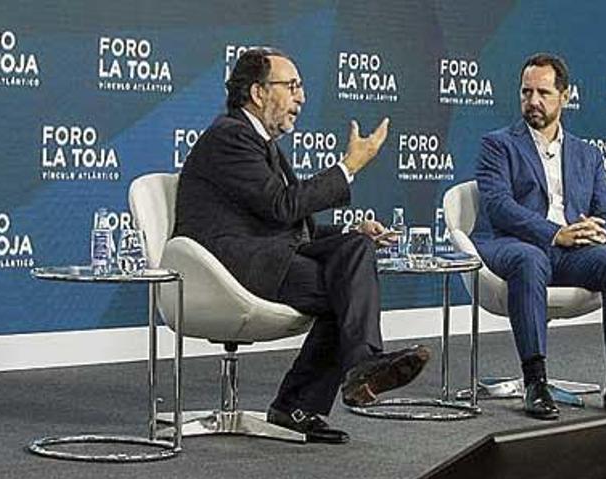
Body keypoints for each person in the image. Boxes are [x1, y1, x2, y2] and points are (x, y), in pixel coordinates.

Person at [174, 47, 429, 443]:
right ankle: (308, 398)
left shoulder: (259, 142)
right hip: (226, 266)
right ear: (258, 93)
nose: (301, 97)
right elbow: (282, 207)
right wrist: (350, 166)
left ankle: (351, 372)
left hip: (263, 252)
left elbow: (291, 223)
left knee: (356, 250)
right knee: (339, 288)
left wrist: (355, 234)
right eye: (291, 86)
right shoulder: (231, 137)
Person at [472, 53, 606, 420]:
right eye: (526, 92)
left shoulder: (587, 154)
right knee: (529, 260)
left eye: (543, 93)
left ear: (565, 96)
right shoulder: (497, 144)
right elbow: (500, 207)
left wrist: (599, 233)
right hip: (513, 244)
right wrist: (555, 233)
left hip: (572, 250)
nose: (533, 101)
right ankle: (535, 382)